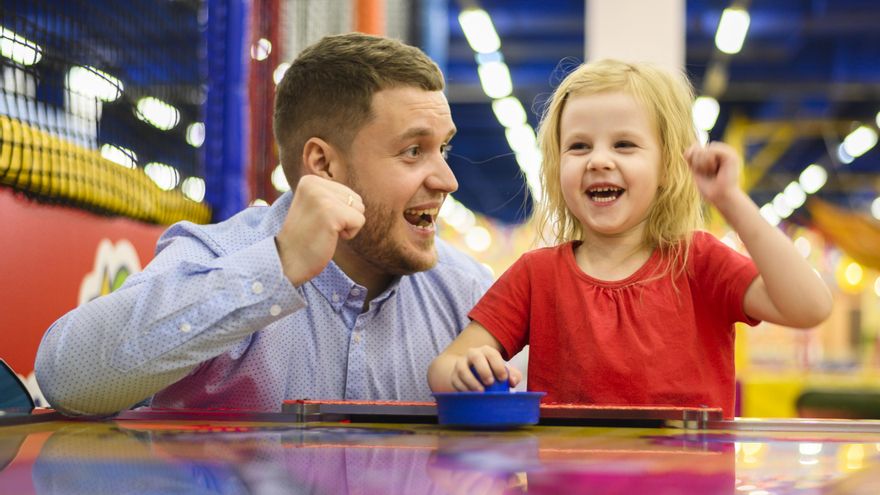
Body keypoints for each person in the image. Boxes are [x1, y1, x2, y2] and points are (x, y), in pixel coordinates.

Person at [35, 33, 493, 416]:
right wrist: (277, 267)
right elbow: (66, 378)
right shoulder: (218, 255)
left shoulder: (466, 293)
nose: (447, 180)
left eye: (443, 150)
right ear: (323, 164)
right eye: (413, 151)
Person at [427, 59, 832, 418]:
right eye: (579, 146)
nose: (599, 159)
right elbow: (443, 368)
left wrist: (731, 200)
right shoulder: (537, 274)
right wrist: (465, 370)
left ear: (668, 167)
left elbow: (808, 307)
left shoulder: (699, 262)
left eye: (624, 145)